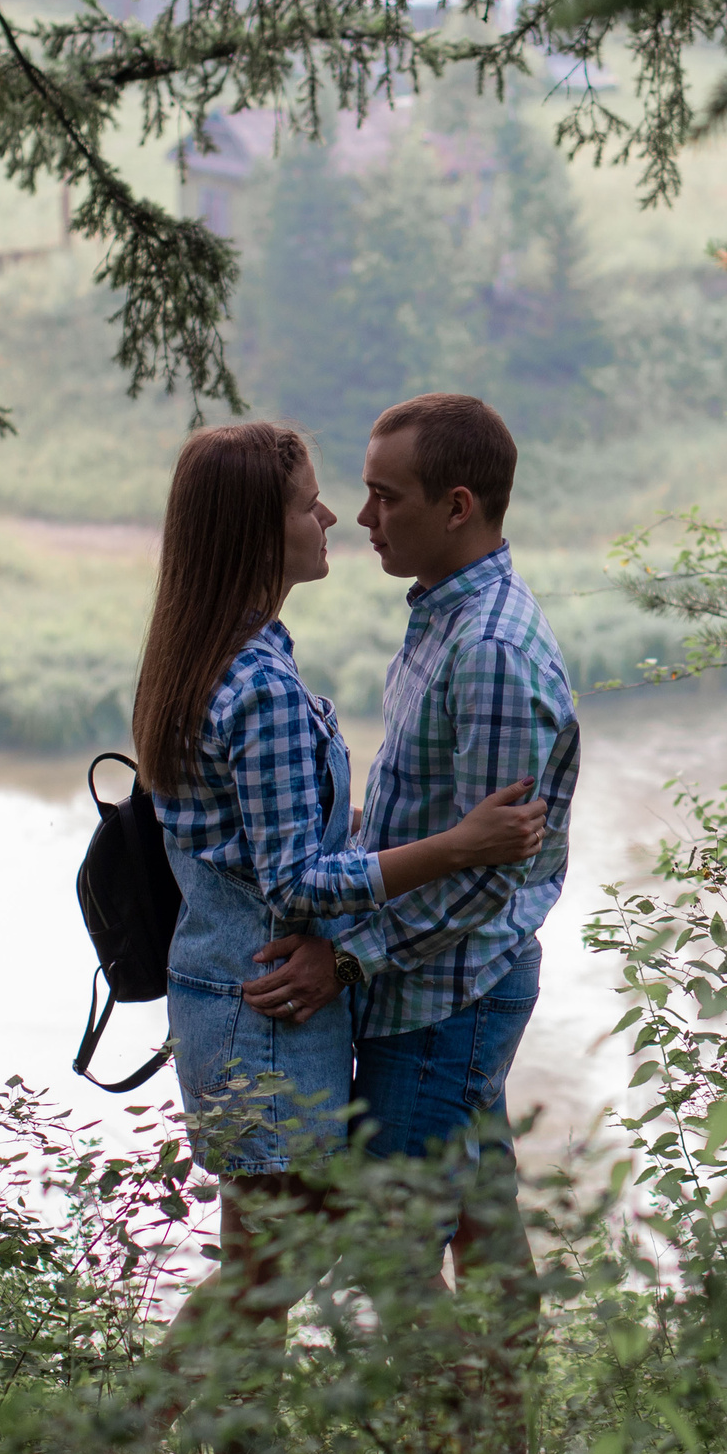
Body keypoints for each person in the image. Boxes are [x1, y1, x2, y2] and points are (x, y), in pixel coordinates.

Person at [132, 420, 546, 1334]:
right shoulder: (264, 685)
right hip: (272, 1009)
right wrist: (457, 844)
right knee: (282, 1266)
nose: (334, 516)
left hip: (220, 992)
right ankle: (125, 1445)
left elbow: (248, 840)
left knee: (262, 1264)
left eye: (366, 494)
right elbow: (295, 884)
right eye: (306, 501)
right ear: (255, 530)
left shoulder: (207, 653)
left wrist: (368, 833)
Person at [245, 393, 580, 1312]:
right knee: (484, 1230)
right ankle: (501, 1451)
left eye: (386, 497)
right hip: (434, 983)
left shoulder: (494, 651)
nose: (362, 518)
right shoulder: (442, 616)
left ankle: (444, 1449)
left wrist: (346, 955)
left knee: (388, 1251)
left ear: (458, 506)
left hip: (450, 993)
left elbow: (488, 871)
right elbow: (427, 816)